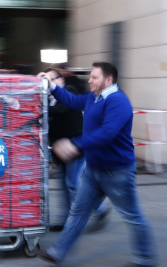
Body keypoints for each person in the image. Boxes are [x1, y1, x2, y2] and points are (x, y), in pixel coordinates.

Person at [37, 62, 157, 266]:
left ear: (108, 80)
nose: (89, 80)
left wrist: (75, 143)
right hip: (94, 169)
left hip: (116, 172)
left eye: (94, 77)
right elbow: (73, 100)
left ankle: (145, 257)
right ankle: (58, 252)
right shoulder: (94, 97)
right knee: (78, 212)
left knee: (133, 215)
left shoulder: (118, 102)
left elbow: (107, 133)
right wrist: (52, 86)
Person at [44, 67, 109, 231]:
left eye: (51, 80)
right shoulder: (48, 97)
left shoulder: (69, 91)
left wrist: (39, 106)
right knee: (65, 185)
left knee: (72, 183)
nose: (48, 84)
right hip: (61, 149)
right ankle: (67, 220)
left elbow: (61, 109)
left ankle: (100, 209)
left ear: (61, 80)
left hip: (75, 145)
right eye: (46, 81)